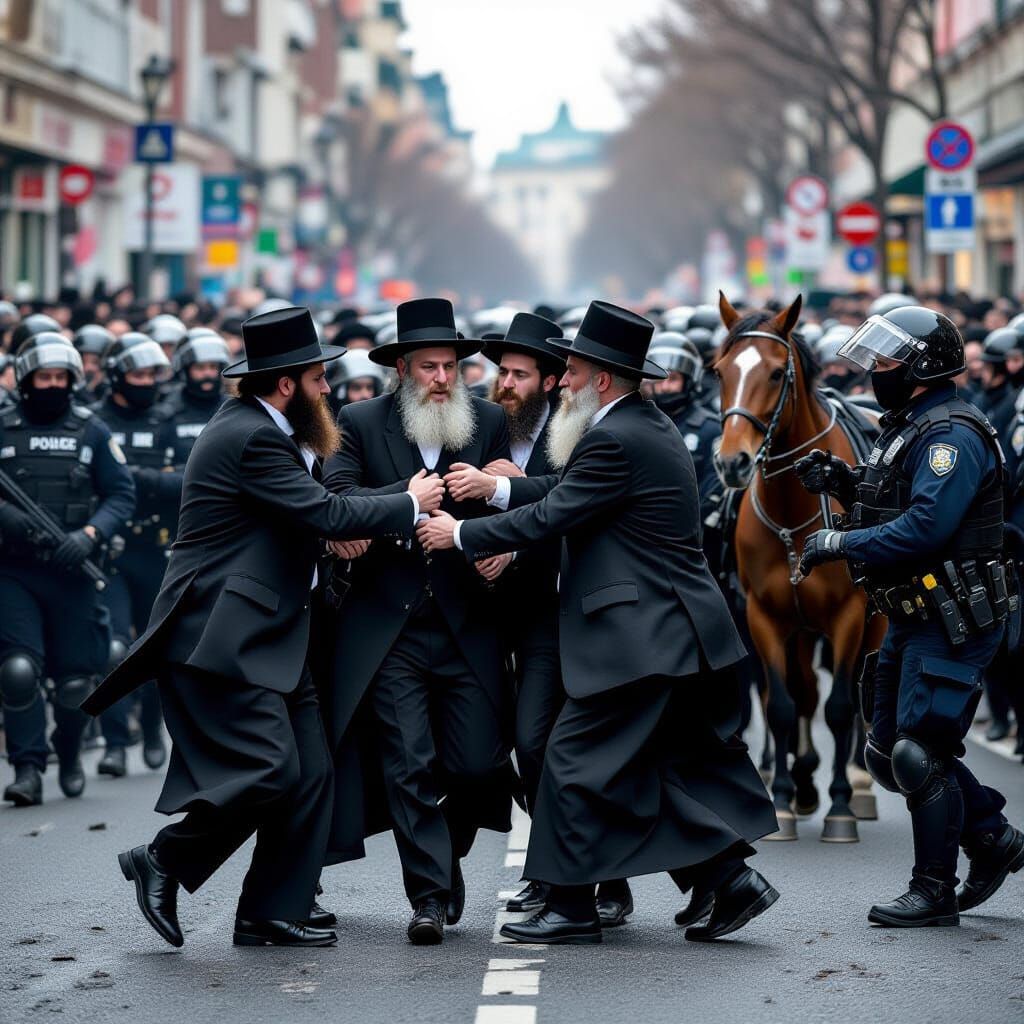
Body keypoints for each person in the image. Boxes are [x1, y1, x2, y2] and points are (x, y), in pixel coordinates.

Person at [418, 300, 780, 945]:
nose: (564, 383)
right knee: (636, 769)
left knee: (571, 760)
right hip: (656, 627)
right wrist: (497, 494)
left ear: (604, 380)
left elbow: (554, 517)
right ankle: (726, 880)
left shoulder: (615, 436)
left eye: (575, 373)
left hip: (644, 631)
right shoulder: (638, 424)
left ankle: (575, 907)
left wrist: (462, 533)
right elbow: (563, 499)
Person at [82, 306, 441, 949]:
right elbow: (324, 510)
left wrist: (337, 537)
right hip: (225, 633)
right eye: (319, 379)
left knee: (311, 774)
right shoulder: (251, 436)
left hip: (275, 632)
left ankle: (270, 911)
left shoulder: (265, 427)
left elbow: (305, 519)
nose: (330, 389)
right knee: (273, 770)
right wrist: (411, 502)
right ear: (286, 385)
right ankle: (165, 859)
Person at [798, 305, 1024, 927]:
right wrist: (844, 482)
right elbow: (892, 501)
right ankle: (994, 838)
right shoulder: (908, 424)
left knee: (919, 751)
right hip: (912, 611)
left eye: (891, 359)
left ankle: (933, 891)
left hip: (953, 615)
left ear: (922, 367)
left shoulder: (952, 434)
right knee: (884, 752)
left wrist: (839, 543)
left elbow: (928, 525)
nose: (878, 369)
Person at [321, 297, 514, 946]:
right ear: (402, 368)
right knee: (410, 764)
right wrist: (406, 503)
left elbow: (511, 496)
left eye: (450, 366)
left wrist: (494, 536)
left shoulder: (487, 420)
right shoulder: (357, 420)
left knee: (477, 767)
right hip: (390, 626)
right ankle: (428, 897)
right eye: (428, 366)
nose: (441, 377)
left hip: (469, 622)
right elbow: (336, 500)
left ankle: (445, 862)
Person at [0, 332, 135, 806]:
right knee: (18, 670)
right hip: (14, 570)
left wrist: (90, 535)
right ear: (26, 379)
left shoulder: (92, 431)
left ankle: (70, 750)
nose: (53, 385)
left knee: (77, 682)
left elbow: (121, 494)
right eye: (44, 377)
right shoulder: (4, 426)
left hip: (74, 570)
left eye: (61, 377)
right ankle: (28, 769)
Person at [92, 333, 182, 778]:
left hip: (157, 548)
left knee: (154, 648)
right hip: (113, 550)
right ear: (116, 377)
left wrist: (136, 477)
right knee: (112, 648)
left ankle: (150, 726)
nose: (146, 382)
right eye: (137, 374)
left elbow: (187, 479)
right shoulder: (95, 422)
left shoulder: (168, 420)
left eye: (152, 374)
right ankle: (114, 741)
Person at [164, 328, 231, 463]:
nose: (207, 374)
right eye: (200, 368)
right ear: (185, 370)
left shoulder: (233, 408)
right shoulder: (167, 410)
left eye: (213, 367)